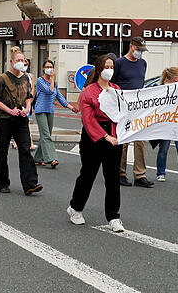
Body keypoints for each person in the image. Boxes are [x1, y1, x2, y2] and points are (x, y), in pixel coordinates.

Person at [68, 54, 124, 232]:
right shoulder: (88, 92)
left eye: (112, 67)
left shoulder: (116, 89)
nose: (110, 70)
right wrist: (105, 136)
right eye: (107, 67)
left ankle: (113, 217)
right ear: (99, 70)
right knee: (88, 175)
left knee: (113, 179)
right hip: (93, 138)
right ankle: (75, 208)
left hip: (114, 136)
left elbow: (123, 113)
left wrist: (120, 134)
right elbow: (88, 120)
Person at [0, 47, 43, 196]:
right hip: (5, 119)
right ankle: (3, 183)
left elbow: (28, 97)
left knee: (25, 150)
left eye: (22, 60)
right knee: (2, 152)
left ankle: (30, 184)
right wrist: (10, 110)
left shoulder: (26, 78)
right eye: (18, 60)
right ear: (11, 61)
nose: (21, 62)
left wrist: (27, 108)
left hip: (21, 120)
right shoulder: (3, 78)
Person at [111, 37, 153, 188]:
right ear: (131, 47)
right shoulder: (119, 63)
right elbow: (112, 84)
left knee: (140, 140)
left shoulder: (143, 63)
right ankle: (120, 173)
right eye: (138, 49)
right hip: (123, 107)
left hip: (138, 107)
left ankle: (140, 175)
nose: (140, 53)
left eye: (142, 50)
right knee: (123, 141)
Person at [34, 59, 78, 168]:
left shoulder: (55, 84)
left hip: (50, 110)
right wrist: (52, 78)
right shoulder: (40, 81)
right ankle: (52, 158)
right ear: (43, 69)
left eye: (51, 67)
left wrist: (71, 107)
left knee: (46, 135)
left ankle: (38, 158)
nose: (49, 69)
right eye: (47, 67)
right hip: (41, 110)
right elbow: (49, 91)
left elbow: (59, 96)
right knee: (46, 135)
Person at [155, 67, 178, 184]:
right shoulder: (161, 88)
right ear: (175, 78)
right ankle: (161, 173)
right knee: (164, 149)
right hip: (166, 123)